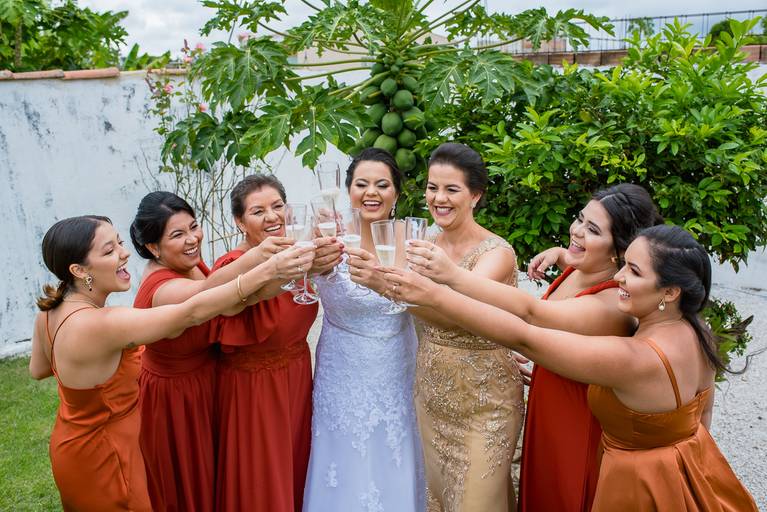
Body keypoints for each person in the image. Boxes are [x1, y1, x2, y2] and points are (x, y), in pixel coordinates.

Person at [382, 224, 759, 511]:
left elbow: (526, 337)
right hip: (692, 471)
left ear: (670, 292)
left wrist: (435, 294)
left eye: (634, 271)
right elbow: (702, 418)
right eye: (624, 264)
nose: (619, 277)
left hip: (637, 486)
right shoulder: (699, 332)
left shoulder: (635, 358)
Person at [405, 183, 664, 512]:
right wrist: (560, 254)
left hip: (575, 422)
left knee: (563, 497)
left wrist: (452, 278)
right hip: (548, 402)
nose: (577, 231)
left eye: (593, 230)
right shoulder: (581, 268)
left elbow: (531, 315)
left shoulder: (611, 304)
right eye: (580, 219)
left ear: (618, 251)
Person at [29, 215, 314, 512]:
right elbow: (190, 313)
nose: (125, 253)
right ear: (79, 270)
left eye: (120, 243)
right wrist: (269, 269)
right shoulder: (104, 323)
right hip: (108, 454)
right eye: (110, 250)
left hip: (70, 445)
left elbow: (39, 370)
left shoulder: (49, 313)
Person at [350, 142, 523, 512]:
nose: (438, 198)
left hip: (484, 402)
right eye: (432, 188)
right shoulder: (421, 241)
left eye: (451, 189)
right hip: (431, 398)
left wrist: (380, 284)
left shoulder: (496, 254)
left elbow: (455, 312)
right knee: (441, 500)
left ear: (475, 195)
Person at [130, 191, 303, 511]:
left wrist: (296, 266)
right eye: (177, 235)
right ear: (153, 248)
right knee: (189, 487)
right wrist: (262, 259)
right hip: (176, 399)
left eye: (193, 226)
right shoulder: (163, 288)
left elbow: (242, 299)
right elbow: (209, 295)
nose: (192, 239)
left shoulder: (188, 264)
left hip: (206, 382)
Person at [303, 148, 425, 511]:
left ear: (397, 193)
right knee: (342, 458)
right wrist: (312, 259)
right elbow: (296, 282)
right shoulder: (327, 234)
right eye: (362, 184)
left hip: (397, 367)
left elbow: (431, 303)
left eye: (382, 185)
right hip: (341, 370)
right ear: (348, 190)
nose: (371, 192)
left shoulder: (414, 237)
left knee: (395, 450)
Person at [212, 174, 342, 512]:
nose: (272, 217)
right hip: (252, 389)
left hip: (296, 379)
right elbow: (220, 297)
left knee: (296, 469)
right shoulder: (233, 265)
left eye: (277, 206)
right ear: (240, 221)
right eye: (258, 211)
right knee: (260, 476)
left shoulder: (298, 255)